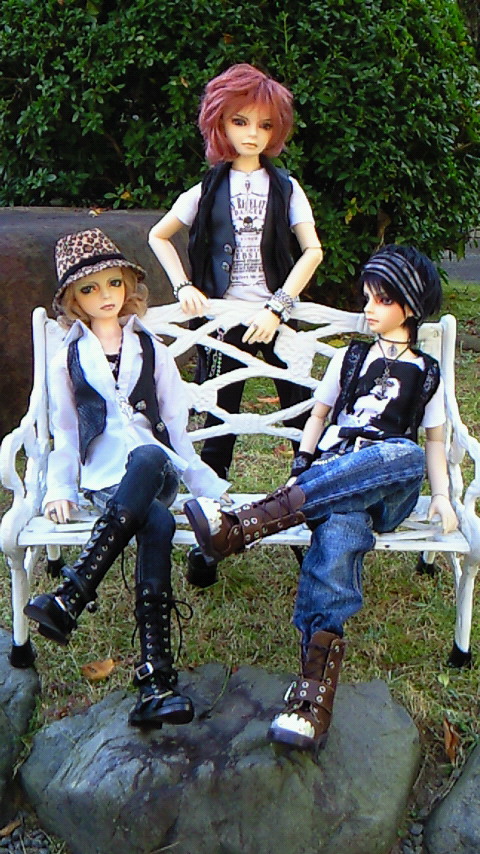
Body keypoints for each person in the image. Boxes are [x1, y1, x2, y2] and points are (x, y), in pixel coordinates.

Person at [183, 244, 458, 754]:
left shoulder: (427, 371)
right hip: (333, 481)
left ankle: (242, 526)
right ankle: (311, 697)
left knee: (405, 453)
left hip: (387, 486)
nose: (368, 308)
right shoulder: (352, 358)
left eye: (381, 300)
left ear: (411, 307)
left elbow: (435, 442)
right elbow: (319, 416)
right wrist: (303, 463)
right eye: (367, 297)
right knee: (340, 530)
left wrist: (440, 496)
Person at [23, 227, 229, 730]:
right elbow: (66, 431)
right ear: (73, 300)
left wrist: (205, 485)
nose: (105, 296)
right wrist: (60, 488)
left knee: (149, 454)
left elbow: (175, 422)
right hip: (107, 480)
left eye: (113, 283)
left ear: (128, 286)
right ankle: (156, 679)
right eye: (89, 289)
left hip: (155, 469)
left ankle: (74, 592)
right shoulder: (68, 356)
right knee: (158, 524)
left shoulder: (149, 346)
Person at [148, 63, 323, 482]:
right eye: (240, 122)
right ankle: (211, 498)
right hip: (223, 319)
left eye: (265, 125)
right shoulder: (207, 190)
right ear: (219, 124)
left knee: (299, 409)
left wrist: (278, 307)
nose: (252, 134)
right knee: (218, 413)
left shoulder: (286, 188)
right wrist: (183, 285)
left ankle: (310, 488)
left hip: (275, 317)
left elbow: (313, 251)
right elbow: (159, 235)